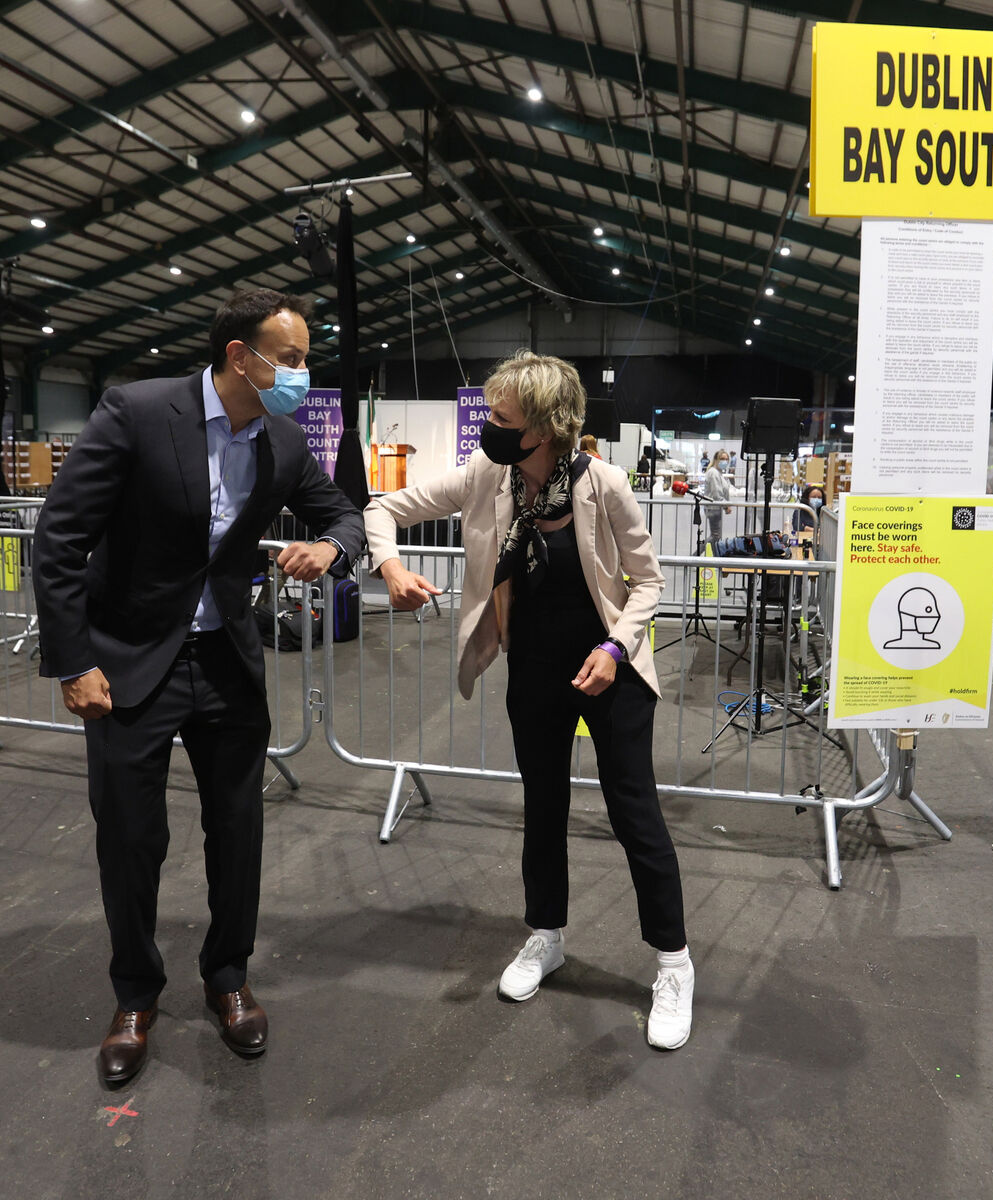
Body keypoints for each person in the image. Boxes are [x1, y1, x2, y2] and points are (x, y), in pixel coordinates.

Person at [32, 289, 365, 1084]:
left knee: (238, 832)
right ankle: (135, 995)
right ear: (237, 356)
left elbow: (344, 513)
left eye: (303, 358)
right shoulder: (137, 412)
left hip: (226, 663)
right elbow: (59, 538)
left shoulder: (282, 441)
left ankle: (228, 978)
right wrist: (74, 663)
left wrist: (333, 548)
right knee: (130, 839)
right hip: (126, 665)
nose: (300, 373)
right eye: (288, 358)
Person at [364, 349, 694, 1050]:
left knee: (635, 813)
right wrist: (389, 564)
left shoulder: (603, 485)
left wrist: (614, 649)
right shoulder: (490, 475)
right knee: (542, 809)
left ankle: (673, 963)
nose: (489, 425)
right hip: (536, 672)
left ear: (545, 427)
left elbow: (650, 583)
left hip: (611, 671)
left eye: (502, 417)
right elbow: (387, 505)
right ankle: (546, 935)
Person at [703, 449, 732, 546]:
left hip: (716, 508)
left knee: (716, 537)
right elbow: (717, 494)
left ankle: (716, 558)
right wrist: (726, 506)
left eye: (727, 459)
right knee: (715, 536)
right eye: (722, 459)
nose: (725, 461)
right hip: (713, 508)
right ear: (716, 459)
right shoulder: (714, 473)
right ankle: (695, 555)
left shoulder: (718, 473)